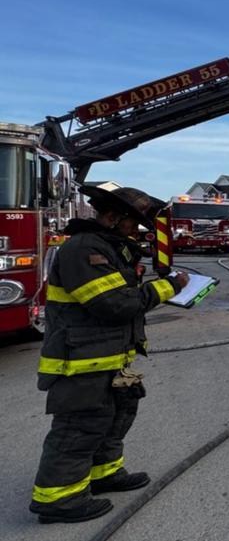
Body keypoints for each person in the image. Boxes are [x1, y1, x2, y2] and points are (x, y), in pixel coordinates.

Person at [30, 185, 188, 524]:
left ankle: (104, 474)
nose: (138, 230)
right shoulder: (84, 250)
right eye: (134, 223)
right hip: (81, 360)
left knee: (114, 416)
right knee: (80, 426)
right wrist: (170, 287)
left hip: (107, 355)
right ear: (113, 217)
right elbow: (113, 304)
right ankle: (59, 499)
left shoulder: (110, 248)